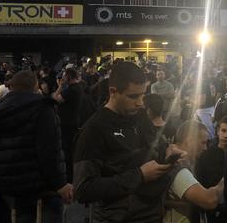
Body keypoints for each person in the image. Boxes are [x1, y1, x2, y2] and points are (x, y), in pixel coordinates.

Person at [73, 62, 184, 221]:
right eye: (133, 96)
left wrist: (167, 151)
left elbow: (153, 147)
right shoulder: (94, 129)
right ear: (113, 92)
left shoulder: (140, 115)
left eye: (142, 95)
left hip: (151, 214)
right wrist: (139, 176)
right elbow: (83, 189)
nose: (140, 102)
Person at [0, 70, 73, 222]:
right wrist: (59, 184)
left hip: (4, 187)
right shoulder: (43, 108)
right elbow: (49, 151)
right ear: (35, 87)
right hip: (39, 188)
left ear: (11, 87)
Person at [164, 120, 223, 223]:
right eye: (203, 143)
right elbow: (209, 200)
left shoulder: (184, 164)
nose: (205, 148)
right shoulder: (179, 169)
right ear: (189, 140)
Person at [195, 115, 227, 223]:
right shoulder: (206, 155)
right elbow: (199, 180)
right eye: (223, 131)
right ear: (218, 131)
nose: (226, 135)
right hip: (210, 210)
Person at [52, 67, 84, 181]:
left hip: (66, 124)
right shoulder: (78, 87)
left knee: (67, 152)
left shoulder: (71, 90)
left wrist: (60, 86)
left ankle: (69, 178)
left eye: (64, 76)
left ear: (68, 77)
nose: (62, 77)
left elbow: (54, 100)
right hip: (73, 122)